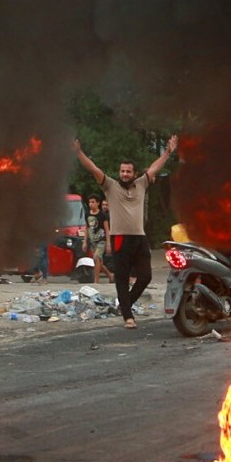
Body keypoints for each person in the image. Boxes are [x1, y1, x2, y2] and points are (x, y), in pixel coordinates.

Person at [73, 135, 179, 328]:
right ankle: (128, 317)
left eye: (128, 171)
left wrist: (168, 152)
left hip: (140, 238)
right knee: (121, 279)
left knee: (145, 276)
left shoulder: (142, 184)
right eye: (122, 171)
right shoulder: (110, 186)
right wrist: (79, 153)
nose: (124, 174)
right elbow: (93, 169)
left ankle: (125, 304)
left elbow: (155, 167)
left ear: (134, 173)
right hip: (120, 238)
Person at [82, 194, 114, 283]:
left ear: (98, 203)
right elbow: (87, 228)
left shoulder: (102, 215)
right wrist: (85, 241)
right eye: (89, 202)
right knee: (98, 261)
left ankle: (96, 281)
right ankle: (110, 275)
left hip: (101, 240)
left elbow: (107, 230)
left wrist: (108, 243)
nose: (90, 204)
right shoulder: (87, 214)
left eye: (93, 202)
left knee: (96, 258)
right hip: (93, 241)